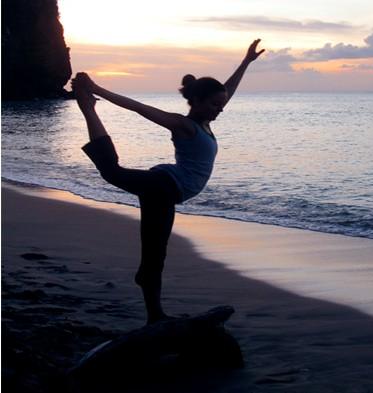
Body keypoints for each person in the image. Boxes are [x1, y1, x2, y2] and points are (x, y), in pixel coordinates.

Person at [71, 39, 265, 324]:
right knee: (116, 179)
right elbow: (140, 108)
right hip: (163, 187)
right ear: (196, 102)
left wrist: (246, 61)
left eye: (221, 106)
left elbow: (228, 90)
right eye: (214, 104)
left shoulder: (205, 122)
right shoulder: (184, 125)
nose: (219, 109)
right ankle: (89, 108)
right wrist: (97, 89)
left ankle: (152, 304)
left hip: (166, 187)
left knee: (153, 248)